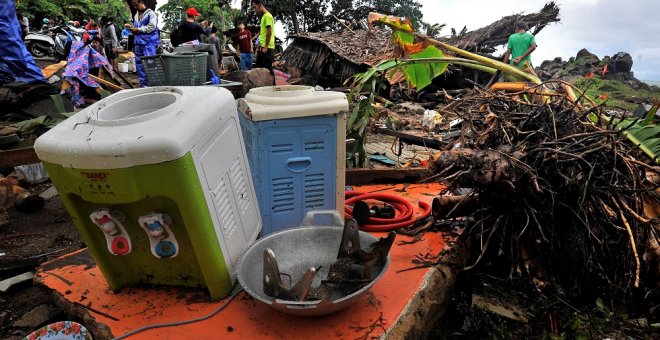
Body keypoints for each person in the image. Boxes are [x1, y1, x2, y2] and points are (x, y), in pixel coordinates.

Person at [131, 0, 159, 87]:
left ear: (141, 2)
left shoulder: (151, 14)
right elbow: (138, 27)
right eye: (134, 6)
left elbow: (152, 27)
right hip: (138, 43)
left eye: (136, 5)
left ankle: (153, 86)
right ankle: (144, 86)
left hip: (149, 43)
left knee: (150, 65)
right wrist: (132, 28)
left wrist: (138, 30)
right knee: (139, 65)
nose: (135, 7)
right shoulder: (136, 15)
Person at [251, 0, 275, 81]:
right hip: (263, 48)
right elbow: (263, 34)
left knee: (268, 71)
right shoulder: (264, 16)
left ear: (260, 5)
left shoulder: (268, 16)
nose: (254, 9)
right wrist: (259, 46)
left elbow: (269, 32)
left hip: (267, 48)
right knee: (259, 70)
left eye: (255, 7)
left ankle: (273, 88)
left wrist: (266, 46)